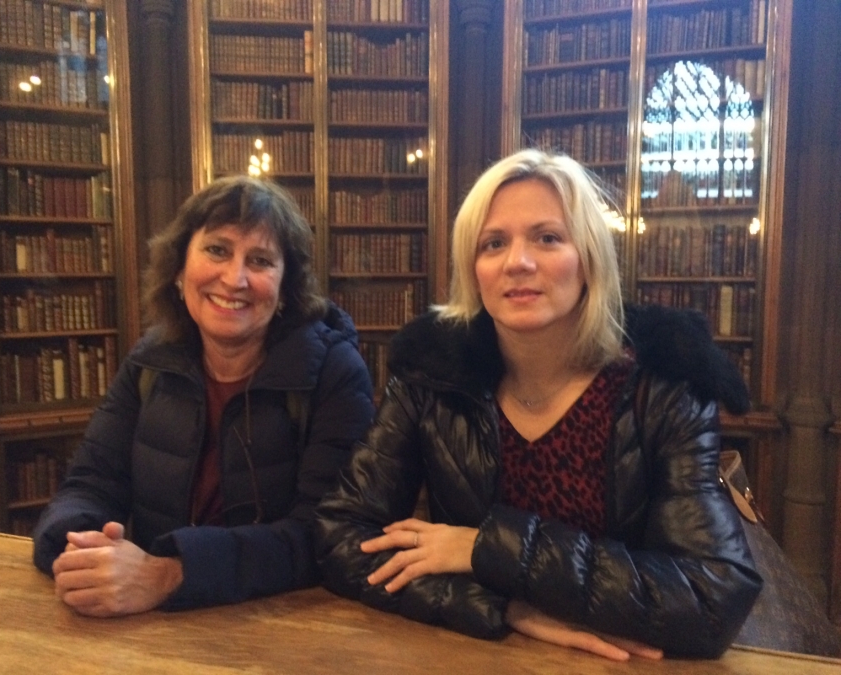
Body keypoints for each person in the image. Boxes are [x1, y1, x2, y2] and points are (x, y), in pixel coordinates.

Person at [315, 149, 762, 660]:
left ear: (589, 260)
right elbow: (340, 537)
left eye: (547, 238)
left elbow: (713, 597)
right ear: (474, 270)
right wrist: (504, 608)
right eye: (494, 243)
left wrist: (485, 547)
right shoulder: (433, 375)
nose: (518, 262)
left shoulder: (663, 388)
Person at [33, 175, 375, 617]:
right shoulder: (150, 360)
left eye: (260, 260)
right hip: (152, 621)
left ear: (286, 288)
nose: (235, 278)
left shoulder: (335, 371)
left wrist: (172, 572)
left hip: (281, 623)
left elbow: (326, 534)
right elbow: (90, 482)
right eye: (217, 250)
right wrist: (80, 548)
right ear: (178, 269)